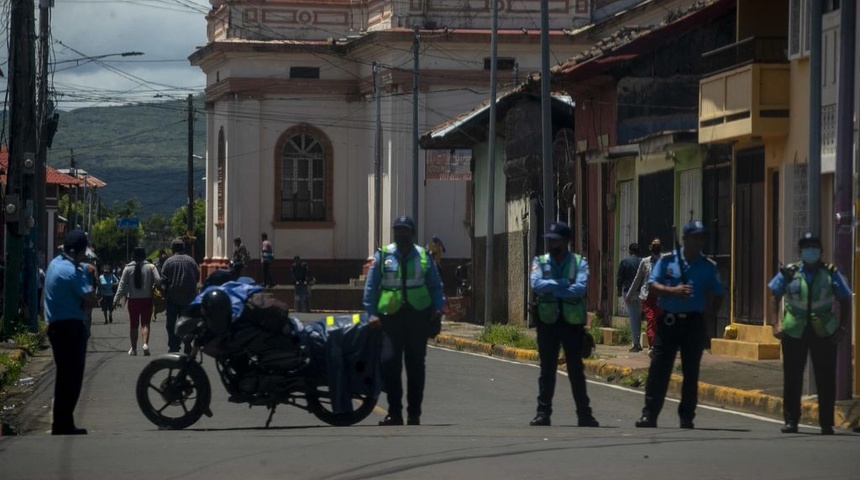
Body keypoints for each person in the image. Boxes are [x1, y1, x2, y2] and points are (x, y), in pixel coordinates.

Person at [635, 220, 724, 429]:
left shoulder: (708, 267)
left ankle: (687, 416)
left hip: (694, 323)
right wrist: (672, 291)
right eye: (695, 237)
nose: (699, 241)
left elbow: (718, 293)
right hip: (669, 322)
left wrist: (708, 317)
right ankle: (649, 415)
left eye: (702, 237)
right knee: (658, 369)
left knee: (691, 372)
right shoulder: (667, 261)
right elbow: (652, 285)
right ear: (685, 239)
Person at [768, 232, 851, 435]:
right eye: (807, 247)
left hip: (824, 331)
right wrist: (774, 323)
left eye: (814, 247)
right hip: (794, 330)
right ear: (801, 251)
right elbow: (774, 295)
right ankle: (791, 421)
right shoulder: (790, 272)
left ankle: (826, 423)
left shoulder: (830, 273)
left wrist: (842, 328)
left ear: (821, 251)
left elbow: (845, 299)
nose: (810, 251)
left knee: (826, 378)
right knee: (792, 377)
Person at [364, 216, 444, 426]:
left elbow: (436, 286)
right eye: (398, 230)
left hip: (418, 316)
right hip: (390, 318)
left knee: (415, 365)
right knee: (389, 362)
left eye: (405, 231)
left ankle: (414, 413)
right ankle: (394, 412)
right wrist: (370, 313)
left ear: (412, 233)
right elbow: (371, 287)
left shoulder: (423, 256)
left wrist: (437, 308)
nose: (401, 234)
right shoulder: (383, 255)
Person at [529, 221, 600, 428]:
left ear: (566, 241)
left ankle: (584, 415)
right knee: (547, 370)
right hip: (547, 322)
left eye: (555, 241)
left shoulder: (579, 262)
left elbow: (580, 288)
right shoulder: (540, 262)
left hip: (571, 324)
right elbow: (536, 285)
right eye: (549, 241)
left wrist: (551, 288)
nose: (551, 244)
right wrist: (561, 284)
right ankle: (543, 413)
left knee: (576, 370)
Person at [44, 229, 98, 435]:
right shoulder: (72, 273)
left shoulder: (56, 264)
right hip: (71, 328)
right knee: (72, 378)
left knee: (64, 376)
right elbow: (90, 299)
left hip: (57, 327)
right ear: (82, 250)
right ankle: (64, 423)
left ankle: (61, 421)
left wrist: (86, 268)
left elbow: (77, 268)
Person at [114, 247, 161, 356]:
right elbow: (158, 280)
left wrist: (115, 299)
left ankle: (134, 349)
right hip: (147, 300)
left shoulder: (127, 268)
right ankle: (145, 345)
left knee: (134, 325)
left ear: (133, 256)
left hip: (133, 301)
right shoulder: (151, 267)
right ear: (145, 256)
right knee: (145, 324)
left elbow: (121, 285)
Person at [625, 238, 665, 357]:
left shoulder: (665, 261)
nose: (655, 247)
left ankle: (660, 344)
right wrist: (629, 295)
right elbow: (638, 279)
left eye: (658, 245)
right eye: (654, 245)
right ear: (650, 247)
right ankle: (652, 346)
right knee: (651, 319)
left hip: (660, 297)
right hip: (647, 296)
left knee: (659, 321)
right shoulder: (645, 261)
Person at [160, 238, 200, 353]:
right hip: (189, 298)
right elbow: (197, 277)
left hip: (173, 298)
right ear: (183, 248)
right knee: (187, 323)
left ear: (172, 249)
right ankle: (187, 343)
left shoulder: (168, 262)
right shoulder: (191, 261)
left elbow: (164, 280)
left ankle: (174, 346)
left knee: (171, 324)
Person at [617, 243, 642, 352]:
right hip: (641, 292)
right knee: (638, 317)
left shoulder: (624, 262)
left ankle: (636, 344)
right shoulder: (643, 262)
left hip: (628, 292)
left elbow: (619, 278)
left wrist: (618, 290)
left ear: (629, 251)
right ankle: (638, 342)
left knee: (633, 317)